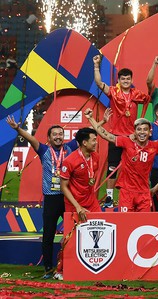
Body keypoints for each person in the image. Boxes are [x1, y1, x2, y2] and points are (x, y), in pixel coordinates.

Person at [5, 115, 95, 278]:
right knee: (48, 234)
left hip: (68, 197)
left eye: (61, 133)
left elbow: (85, 137)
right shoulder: (44, 150)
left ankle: (75, 266)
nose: (58, 136)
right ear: (48, 138)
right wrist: (17, 129)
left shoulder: (70, 147)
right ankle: (48, 268)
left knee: (72, 232)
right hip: (51, 198)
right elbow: (31, 138)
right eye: (55, 134)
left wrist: (99, 122)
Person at [93, 54, 150, 208]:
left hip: (132, 137)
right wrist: (96, 65)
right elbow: (98, 83)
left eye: (128, 79)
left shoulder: (136, 94)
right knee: (112, 166)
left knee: (133, 166)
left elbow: (150, 96)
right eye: (123, 79)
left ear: (131, 80)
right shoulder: (113, 92)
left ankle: (135, 194)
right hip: (115, 136)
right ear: (118, 81)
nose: (125, 81)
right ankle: (110, 197)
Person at [85, 110, 158, 213]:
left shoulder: (155, 147)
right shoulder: (126, 142)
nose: (142, 132)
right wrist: (90, 118)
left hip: (144, 193)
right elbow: (106, 135)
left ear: (150, 133)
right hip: (127, 192)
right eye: (139, 129)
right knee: (126, 224)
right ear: (134, 132)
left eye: (145, 129)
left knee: (144, 225)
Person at [60, 128, 102, 221]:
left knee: (99, 229)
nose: (96, 143)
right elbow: (63, 186)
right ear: (84, 143)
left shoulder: (96, 157)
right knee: (75, 234)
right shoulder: (69, 161)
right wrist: (77, 206)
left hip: (92, 203)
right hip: (74, 204)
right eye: (93, 140)